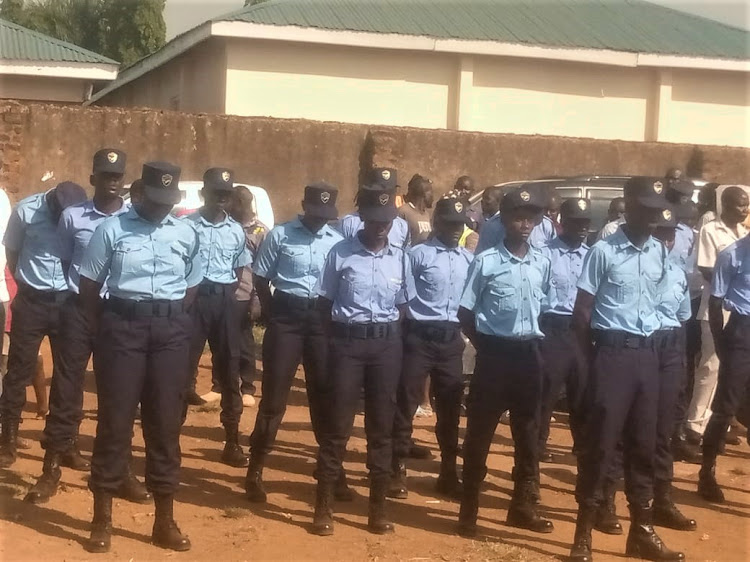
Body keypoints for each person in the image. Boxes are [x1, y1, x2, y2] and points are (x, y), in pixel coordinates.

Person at [79, 161, 201, 553]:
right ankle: (102, 520)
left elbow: (192, 285)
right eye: (155, 200)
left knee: (165, 426)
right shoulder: (111, 230)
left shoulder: (186, 231)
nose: (162, 207)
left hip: (170, 334)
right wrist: (109, 331)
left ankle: (164, 521)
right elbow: (88, 288)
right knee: (114, 425)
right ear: (138, 194)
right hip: (122, 329)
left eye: (169, 200)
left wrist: (169, 319)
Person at [25, 149, 150, 505]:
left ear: (124, 180)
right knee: (66, 389)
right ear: (93, 178)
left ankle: (122, 470)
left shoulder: (134, 219)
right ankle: (50, 469)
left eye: (117, 176)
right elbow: (67, 260)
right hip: (79, 310)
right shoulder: (72, 216)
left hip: (119, 313)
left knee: (120, 392)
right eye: (105, 175)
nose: (112, 182)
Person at [568, 177, 683, 562]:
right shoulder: (603, 251)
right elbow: (582, 313)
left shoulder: (659, 253)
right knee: (601, 446)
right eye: (645, 210)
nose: (651, 219)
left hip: (648, 357)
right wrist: (589, 367)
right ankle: (583, 534)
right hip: (612, 356)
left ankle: (642, 531)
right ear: (628, 206)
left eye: (656, 211)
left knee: (644, 446)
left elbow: (662, 306)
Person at [312, 185, 411, 536]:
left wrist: (385, 339)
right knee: (337, 427)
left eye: (387, 220)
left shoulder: (400, 257)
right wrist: (336, 346)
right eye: (374, 220)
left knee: (381, 428)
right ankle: (323, 506)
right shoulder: (340, 253)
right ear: (362, 219)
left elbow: (403, 307)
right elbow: (324, 306)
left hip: (385, 348)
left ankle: (378, 509)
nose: (381, 226)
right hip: (348, 346)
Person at [457, 186, 553, 537]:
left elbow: (548, 308)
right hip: (494, 355)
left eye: (532, 218)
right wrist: (485, 346)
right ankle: (469, 511)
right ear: (505, 220)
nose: (525, 224)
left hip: (529, 355)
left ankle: (522, 507)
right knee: (480, 434)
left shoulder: (543, 261)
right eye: (518, 217)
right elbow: (465, 312)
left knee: (528, 436)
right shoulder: (487, 261)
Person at [245, 182, 345, 503]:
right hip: (287, 317)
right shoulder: (281, 235)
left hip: (321, 321)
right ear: (303, 205)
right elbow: (261, 277)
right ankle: (256, 469)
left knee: (324, 397)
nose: (319, 221)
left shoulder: (337, 242)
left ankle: (332, 471)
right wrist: (274, 315)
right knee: (274, 400)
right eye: (315, 213)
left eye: (325, 216)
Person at [389, 196, 473, 501]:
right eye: (450, 223)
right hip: (419, 336)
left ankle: (449, 471)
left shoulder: (467, 259)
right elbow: (404, 296)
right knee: (406, 402)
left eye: (460, 225)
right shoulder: (417, 255)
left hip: (451, 339)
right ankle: (396, 468)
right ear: (437, 223)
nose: (455, 230)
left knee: (450, 406)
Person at [0, 181, 87, 468]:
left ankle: (65, 443)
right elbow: (12, 255)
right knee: (18, 371)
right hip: (32, 303)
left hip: (68, 303)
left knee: (69, 376)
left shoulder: (80, 215)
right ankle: (8, 441)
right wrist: (27, 285)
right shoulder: (26, 211)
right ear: (51, 201)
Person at [184, 168, 252, 467]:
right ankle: (169, 438)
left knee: (229, 368)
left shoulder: (236, 230)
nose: (221, 201)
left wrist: (227, 297)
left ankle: (232, 440)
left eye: (226, 195)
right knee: (182, 368)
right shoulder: (186, 226)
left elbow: (239, 270)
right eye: (215, 194)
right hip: (192, 301)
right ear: (204, 194)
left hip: (224, 300)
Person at [684, 186, 748, 443]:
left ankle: (724, 421)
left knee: (735, 372)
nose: (744, 210)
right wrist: (735, 286)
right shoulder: (711, 230)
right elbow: (707, 267)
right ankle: (694, 426)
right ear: (725, 206)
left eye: (746, 205)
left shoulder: (744, 232)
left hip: (743, 313)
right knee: (711, 367)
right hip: (717, 307)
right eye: (739, 205)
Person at [537, 198, 591, 463]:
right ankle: (537, 444)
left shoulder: (591, 255)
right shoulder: (545, 253)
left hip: (580, 331)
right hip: (553, 328)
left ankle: (582, 445)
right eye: (577, 223)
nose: (582, 228)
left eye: (586, 223)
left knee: (582, 391)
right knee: (547, 391)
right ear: (564, 223)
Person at [698, 232, 750, 502]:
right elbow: (715, 302)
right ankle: (707, 472)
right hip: (741, 330)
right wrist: (720, 343)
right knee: (725, 407)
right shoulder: (732, 254)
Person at [230, 185, 269, 407]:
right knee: (224, 341)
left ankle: (248, 387)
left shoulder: (260, 231)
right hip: (225, 293)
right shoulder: (227, 227)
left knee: (245, 342)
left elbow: (261, 271)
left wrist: (256, 301)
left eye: (235, 202)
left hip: (245, 294)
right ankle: (221, 384)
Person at [337, 168, 410, 249]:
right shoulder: (349, 223)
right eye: (379, 189)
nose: (384, 193)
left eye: (390, 189)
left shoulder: (402, 226)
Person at [475, 185, 556, 252]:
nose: (526, 225)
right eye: (519, 218)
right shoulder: (492, 227)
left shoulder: (546, 226)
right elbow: (481, 262)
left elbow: (554, 259)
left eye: (530, 216)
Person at [397, 174, 434, 245]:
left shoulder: (426, 214)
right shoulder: (404, 211)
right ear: (423, 193)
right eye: (431, 192)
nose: (433, 196)